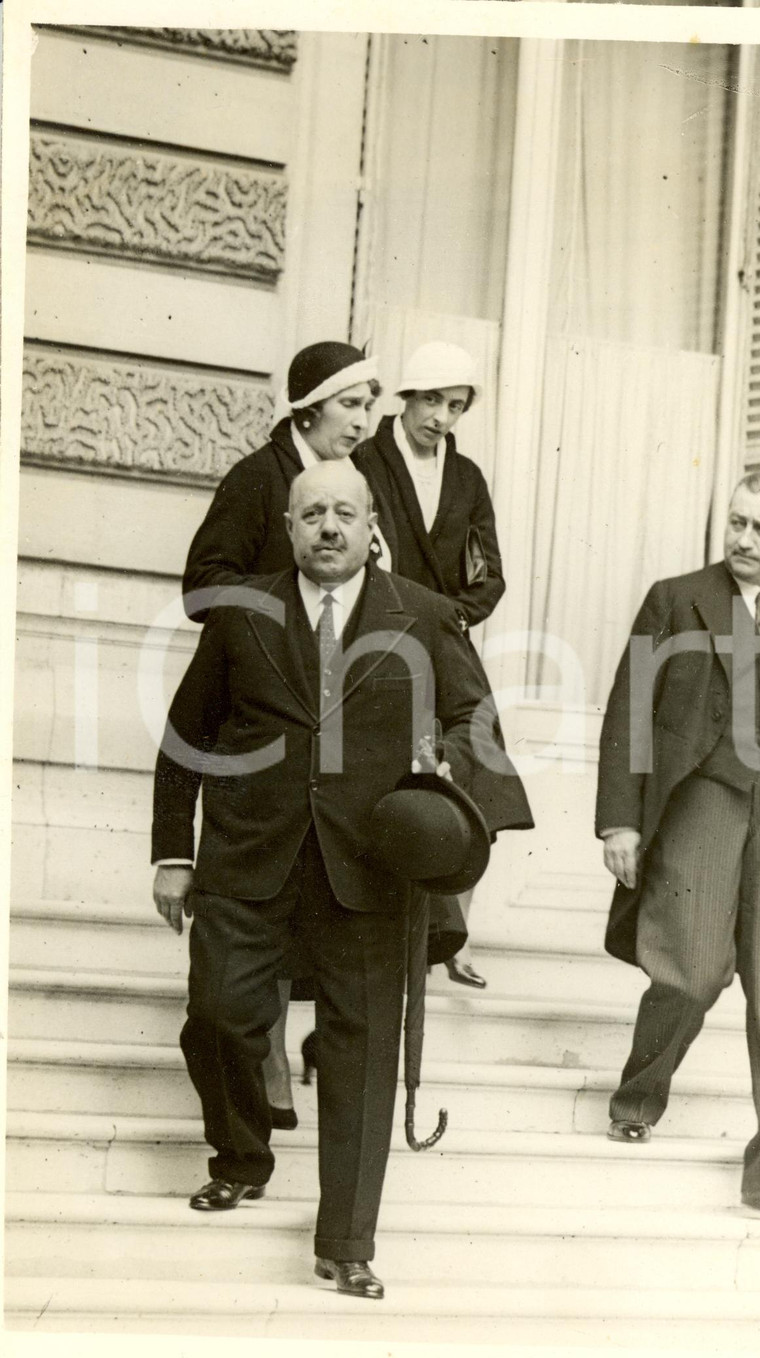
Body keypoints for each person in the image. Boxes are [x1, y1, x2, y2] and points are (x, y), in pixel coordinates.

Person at [152, 459, 525, 1297]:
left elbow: (478, 717)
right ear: (287, 528)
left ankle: (347, 1241)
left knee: (359, 1054)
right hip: (249, 860)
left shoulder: (424, 617)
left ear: (371, 529)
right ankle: (242, 1155)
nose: (328, 527)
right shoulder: (241, 614)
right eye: (311, 512)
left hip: (372, 867)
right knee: (218, 1014)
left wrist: (446, 773)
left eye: (345, 513)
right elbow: (185, 735)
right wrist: (174, 853)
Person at [596, 471, 760, 1229]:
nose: (743, 540)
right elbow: (629, 711)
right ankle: (639, 1094)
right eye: (736, 523)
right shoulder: (676, 598)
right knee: (691, 967)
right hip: (706, 796)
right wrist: (621, 820)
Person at [181, 340, 386, 1124]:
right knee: (249, 935)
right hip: (263, 685)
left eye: (371, 407)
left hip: (340, 700)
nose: (367, 422)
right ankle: (259, 1098)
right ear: (308, 409)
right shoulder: (257, 478)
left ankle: (302, 1063)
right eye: (353, 406)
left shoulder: (361, 483)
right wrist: (282, 613)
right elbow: (203, 581)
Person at [354, 341, 522, 988]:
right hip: (378, 639)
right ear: (406, 397)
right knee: (395, 783)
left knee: (478, 764)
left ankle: (456, 939)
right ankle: (405, 940)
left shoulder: (467, 477)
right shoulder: (366, 461)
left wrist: (452, 615)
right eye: (431, 400)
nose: (441, 418)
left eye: (455, 406)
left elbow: (491, 573)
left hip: (446, 638)